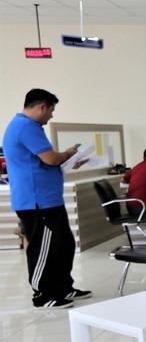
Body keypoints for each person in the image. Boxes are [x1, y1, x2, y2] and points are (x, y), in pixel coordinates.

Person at [2, 88, 90, 309]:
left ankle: (63, 287)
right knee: (43, 248)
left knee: (64, 245)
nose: (52, 115)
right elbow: (50, 159)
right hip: (36, 202)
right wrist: (68, 154)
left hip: (49, 199)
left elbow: (43, 162)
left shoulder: (28, 126)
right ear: (42, 106)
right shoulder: (25, 126)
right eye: (51, 110)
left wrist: (69, 161)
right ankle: (42, 294)